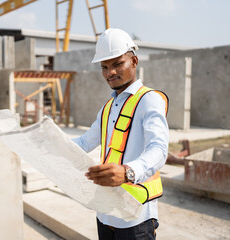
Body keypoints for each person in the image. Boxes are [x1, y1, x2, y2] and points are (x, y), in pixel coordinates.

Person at [72, 28, 169, 240]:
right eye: (104, 67)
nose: (110, 72)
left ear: (134, 61)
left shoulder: (149, 100)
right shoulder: (108, 107)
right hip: (107, 213)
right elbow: (85, 142)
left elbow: (159, 149)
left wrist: (127, 172)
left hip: (137, 216)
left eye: (117, 64)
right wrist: (46, 141)